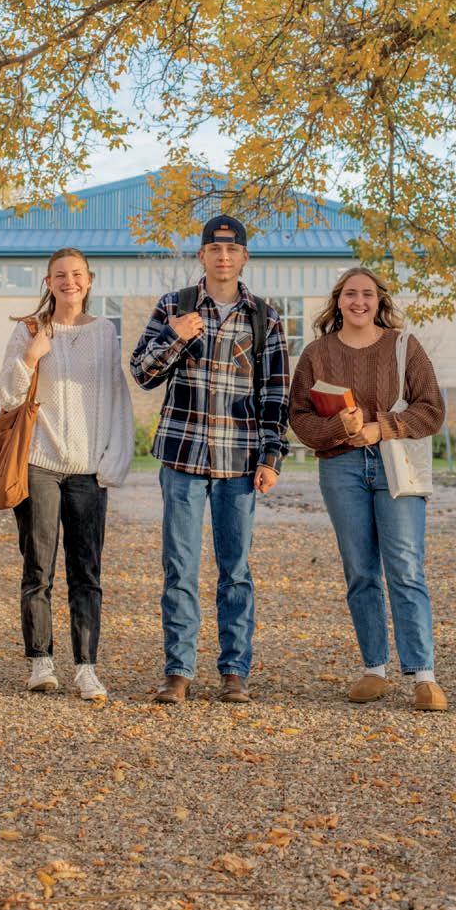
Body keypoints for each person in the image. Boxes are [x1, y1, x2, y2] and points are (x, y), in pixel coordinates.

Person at [130, 215, 289, 704]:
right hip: (182, 456)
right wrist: (176, 336)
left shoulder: (265, 318)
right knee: (179, 567)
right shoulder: (173, 306)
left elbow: (275, 395)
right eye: (214, 249)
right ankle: (178, 671)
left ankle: (234, 671)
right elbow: (142, 373)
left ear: (244, 257)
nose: (223, 257)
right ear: (202, 255)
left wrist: (271, 457)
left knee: (235, 571)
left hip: (239, 462)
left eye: (232, 249)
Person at [289, 266, 448, 712]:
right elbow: (299, 418)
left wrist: (382, 427)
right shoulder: (317, 353)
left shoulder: (403, 346)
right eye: (350, 294)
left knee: (406, 567)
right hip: (341, 468)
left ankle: (424, 675)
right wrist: (338, 427)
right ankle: (374, 669)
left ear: (379, 301)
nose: (358, 301)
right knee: (360, 570)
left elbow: (432, 410)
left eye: (367, 294)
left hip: (396, 463)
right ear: (338, 301)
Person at [0, 247, 133, 699]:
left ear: (89, 280)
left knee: (86, 572)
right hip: (39, 465)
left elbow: (116, 397)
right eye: (60, 275)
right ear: (48, 282)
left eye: (76, 274)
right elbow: (6, 397)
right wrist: (29, 358)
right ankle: (41, 661)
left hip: (87, 471)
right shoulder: (30, 330)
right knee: (38, 567)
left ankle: (86, 668)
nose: (69, 281)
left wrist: (114, 459)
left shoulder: (105, 331)